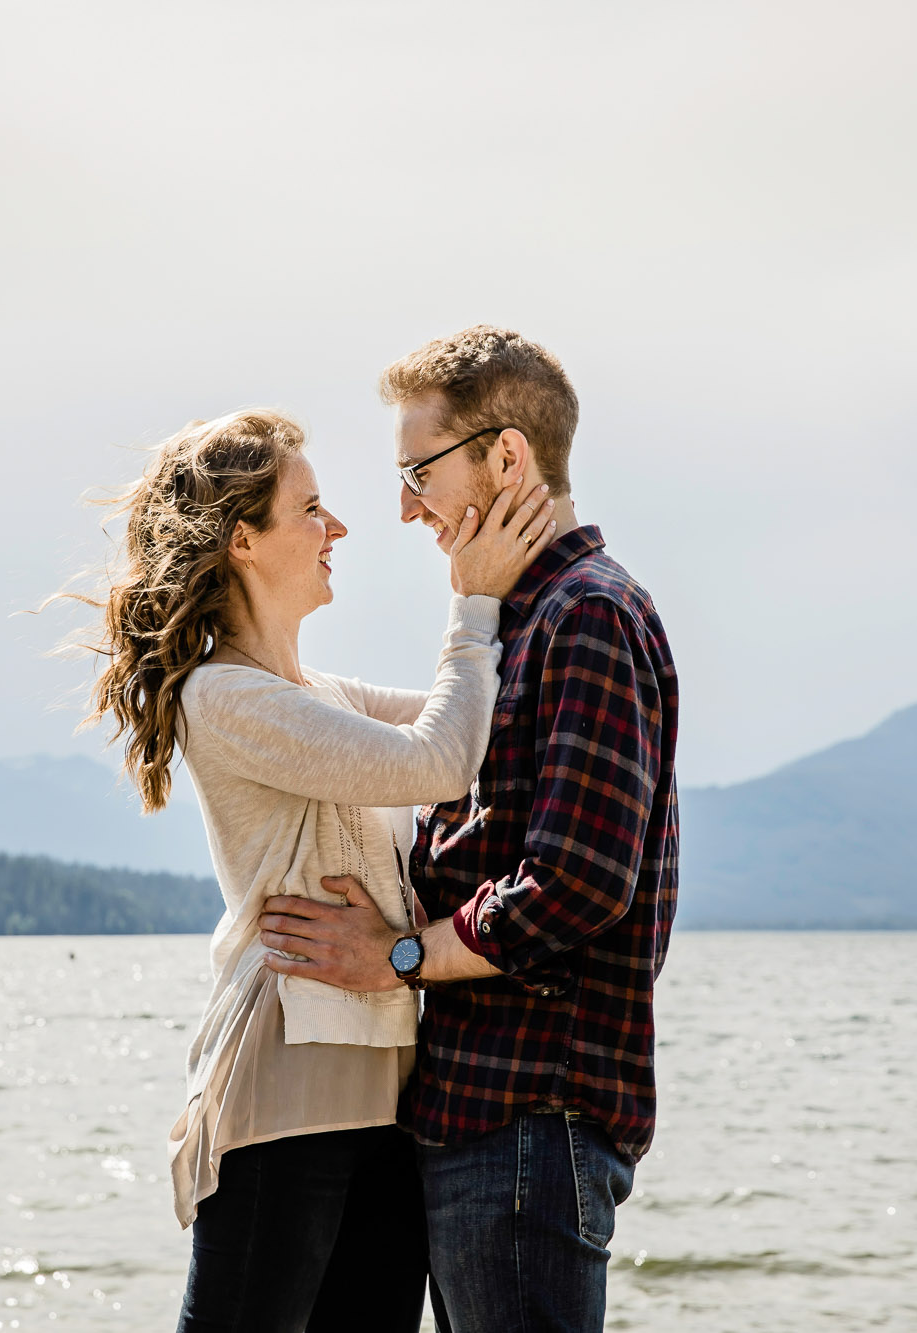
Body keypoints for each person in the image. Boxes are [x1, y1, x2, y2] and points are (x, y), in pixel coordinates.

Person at [69, 407, 556, 1332]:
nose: (337, 530)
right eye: (312, 509)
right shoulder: (225, 696)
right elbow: (437, 760)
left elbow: (488, 730)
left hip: (389, 1092)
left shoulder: (322, 697)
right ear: (244, 540)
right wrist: (472, 598)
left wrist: (548, 609)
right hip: (285, 1088)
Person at [258, 326, 680, 1333]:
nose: (406, 507)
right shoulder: (524, 622)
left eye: (419, 472)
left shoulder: (585, 615)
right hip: (491, 1128)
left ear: (505, 457)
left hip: (529, 1124)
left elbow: (575, 882)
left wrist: (395, 956)